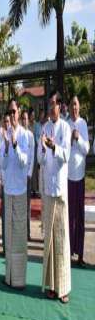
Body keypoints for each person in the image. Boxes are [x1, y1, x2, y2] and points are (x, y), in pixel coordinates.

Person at [40, 91, 72, 303]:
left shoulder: (65, 128)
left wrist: (54, 147)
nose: (52, 108)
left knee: (61, 239)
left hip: (60, 191)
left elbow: (65, 155)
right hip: (48, 190)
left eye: (55, 104)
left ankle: (64, 288)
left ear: (60, 106)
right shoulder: (44, 128)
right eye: (50, 104)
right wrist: (44, 150)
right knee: (50, 242)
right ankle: (52, 286)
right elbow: (40, 159)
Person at [0, 102, 31, 289]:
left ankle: (19, 281)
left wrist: (16, 144)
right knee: (9, 238)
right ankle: (8, 277)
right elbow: (2, 165)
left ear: (19, 113)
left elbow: (24, 162)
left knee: (19, 238)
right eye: (9, 111)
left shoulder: (25, 135)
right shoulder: (6, 134)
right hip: (8, 191)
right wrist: (5, 147)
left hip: (19, 191)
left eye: (14, 111)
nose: (11, 115)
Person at [66, 96, 88, 267]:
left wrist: (78, 138)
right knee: (69, 217)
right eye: (72, 104)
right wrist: (70, 139)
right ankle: (68, 252)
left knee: (79, 217)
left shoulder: (83, 124)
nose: (74, 107)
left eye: (76, 104)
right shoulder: (66, 124)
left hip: (79, 176)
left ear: (79, 107)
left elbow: (86, 149)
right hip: (67, 177)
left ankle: (80, 254)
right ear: (69, 107)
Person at [21, 109, 36, 240]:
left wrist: (29, 173)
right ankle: (21, 231)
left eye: (26, 118)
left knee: (27, 205)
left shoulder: (31, 135)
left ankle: (27, 232)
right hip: (19, 175)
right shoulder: (19, 134)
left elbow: (32, 156)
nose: (25, 121)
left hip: (27, 175)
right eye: (23, 119)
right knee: (20, 204)